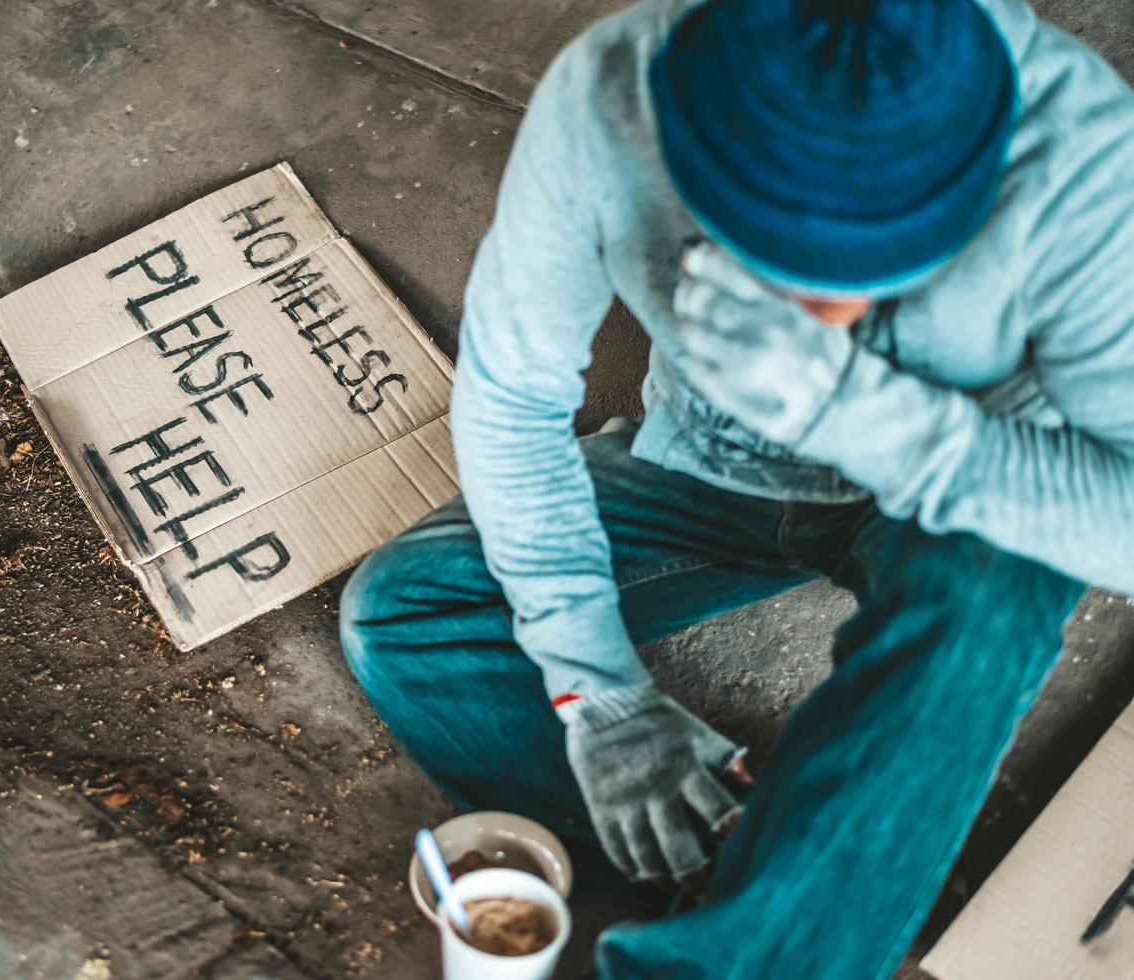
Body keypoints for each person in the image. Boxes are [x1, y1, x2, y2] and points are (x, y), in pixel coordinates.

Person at [338, 0, 1134, 975]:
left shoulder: (1086, 160)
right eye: (766, 271)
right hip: (704, 470)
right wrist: (599, 697)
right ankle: (743, 879)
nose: (814, 322)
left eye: (861, 286)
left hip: (959, 501)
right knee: (405, 613)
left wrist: (873, 417)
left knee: (989, 610)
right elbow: (510, 397)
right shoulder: (611, 94)